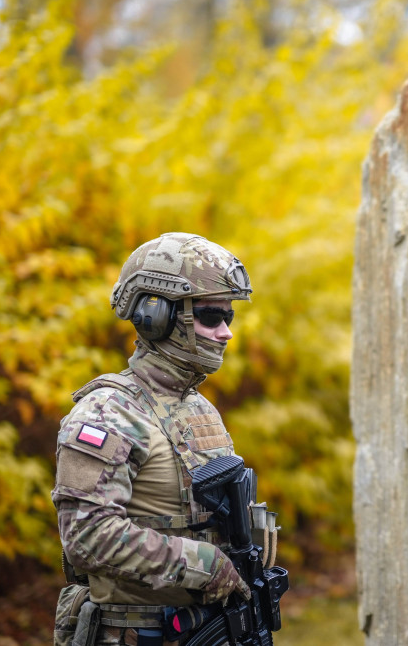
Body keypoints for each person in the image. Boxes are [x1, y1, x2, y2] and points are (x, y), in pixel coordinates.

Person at [52, 232, 258, 645]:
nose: (225, 333)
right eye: (211, 317)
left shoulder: (198, 408)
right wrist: (205, 565)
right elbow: (87, 535)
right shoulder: (108, 412)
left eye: (228, 318)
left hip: (205, 630)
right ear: (156, 314)